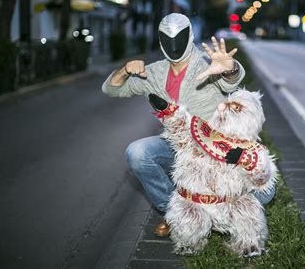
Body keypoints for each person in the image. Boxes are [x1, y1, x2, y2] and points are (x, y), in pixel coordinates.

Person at [101, 13, 274, 236]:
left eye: (179, 36)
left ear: (189, 35)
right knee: (138, 152)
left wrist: (229, 68)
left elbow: (231, 81)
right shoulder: (152, 73)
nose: (174, 44)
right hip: (179, 146)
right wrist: (124, 70)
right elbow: (111, 89)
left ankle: (224, 212)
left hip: (216, 151)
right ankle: (175, 213)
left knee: (266, 192)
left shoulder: (206, 64)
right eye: (167, 37)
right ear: (160, 38)